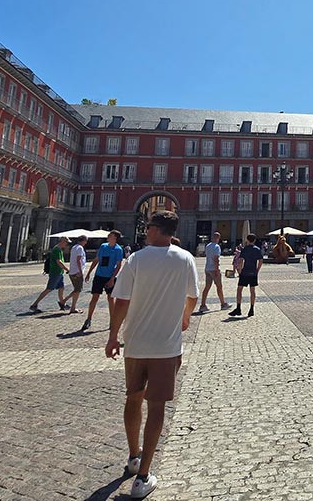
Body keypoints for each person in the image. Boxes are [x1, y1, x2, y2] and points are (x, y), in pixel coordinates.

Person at [106, 210, 197, 499]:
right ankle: (143, 475)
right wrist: (185, 317)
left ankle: (134, 456)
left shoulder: (135, 259)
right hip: (166, 346)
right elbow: (192, 297)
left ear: (159, 230)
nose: (145, 231)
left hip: (135, 344)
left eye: (148, 227)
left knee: (133, 397)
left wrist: (112, 336)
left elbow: (120, 301)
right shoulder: (185, 259)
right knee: (157, 406)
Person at [82, 231, 128, 332]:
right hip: (99, 275)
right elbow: (97, 259)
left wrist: (112, 279)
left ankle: (112, 320)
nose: (108, 237)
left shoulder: (118, 249)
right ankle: (88, 319)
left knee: (111, 299)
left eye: (110, 236)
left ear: (115, 238)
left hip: (109, 276)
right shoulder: (103, 246)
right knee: (94, 297)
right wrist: (89, 272)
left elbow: (119, 265)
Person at [28, 237, 69, 312]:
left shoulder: (59, 249)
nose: (67, 244)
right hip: (55, 272)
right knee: (49, 289)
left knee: (61, 288)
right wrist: (67, 269)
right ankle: (34, 304)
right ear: (62, 241)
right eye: (66, 242)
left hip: (59, 272)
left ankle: (62, 303)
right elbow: (59, 261)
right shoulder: (57, 249)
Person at [197, 232, 230, 313]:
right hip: (213, 269)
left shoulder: (208, 246)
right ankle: (223, 304)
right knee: (219, 287)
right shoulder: (217, 247)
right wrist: (217, 270)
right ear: (218, 238)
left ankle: (203, 305)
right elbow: (216, 259)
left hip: (207, 268)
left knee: (207, 287)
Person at [230, 233, 262, 317]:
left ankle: (238, 308)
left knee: (239, 289)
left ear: (247, 240)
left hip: (245, 272)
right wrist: (257, 270)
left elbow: (241, 261)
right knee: (252, 291)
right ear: (254, 240)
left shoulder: (245, 249)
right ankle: (251, 309)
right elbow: (260, 261)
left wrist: (239, 270)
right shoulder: (257, 249)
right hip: (253, 272)